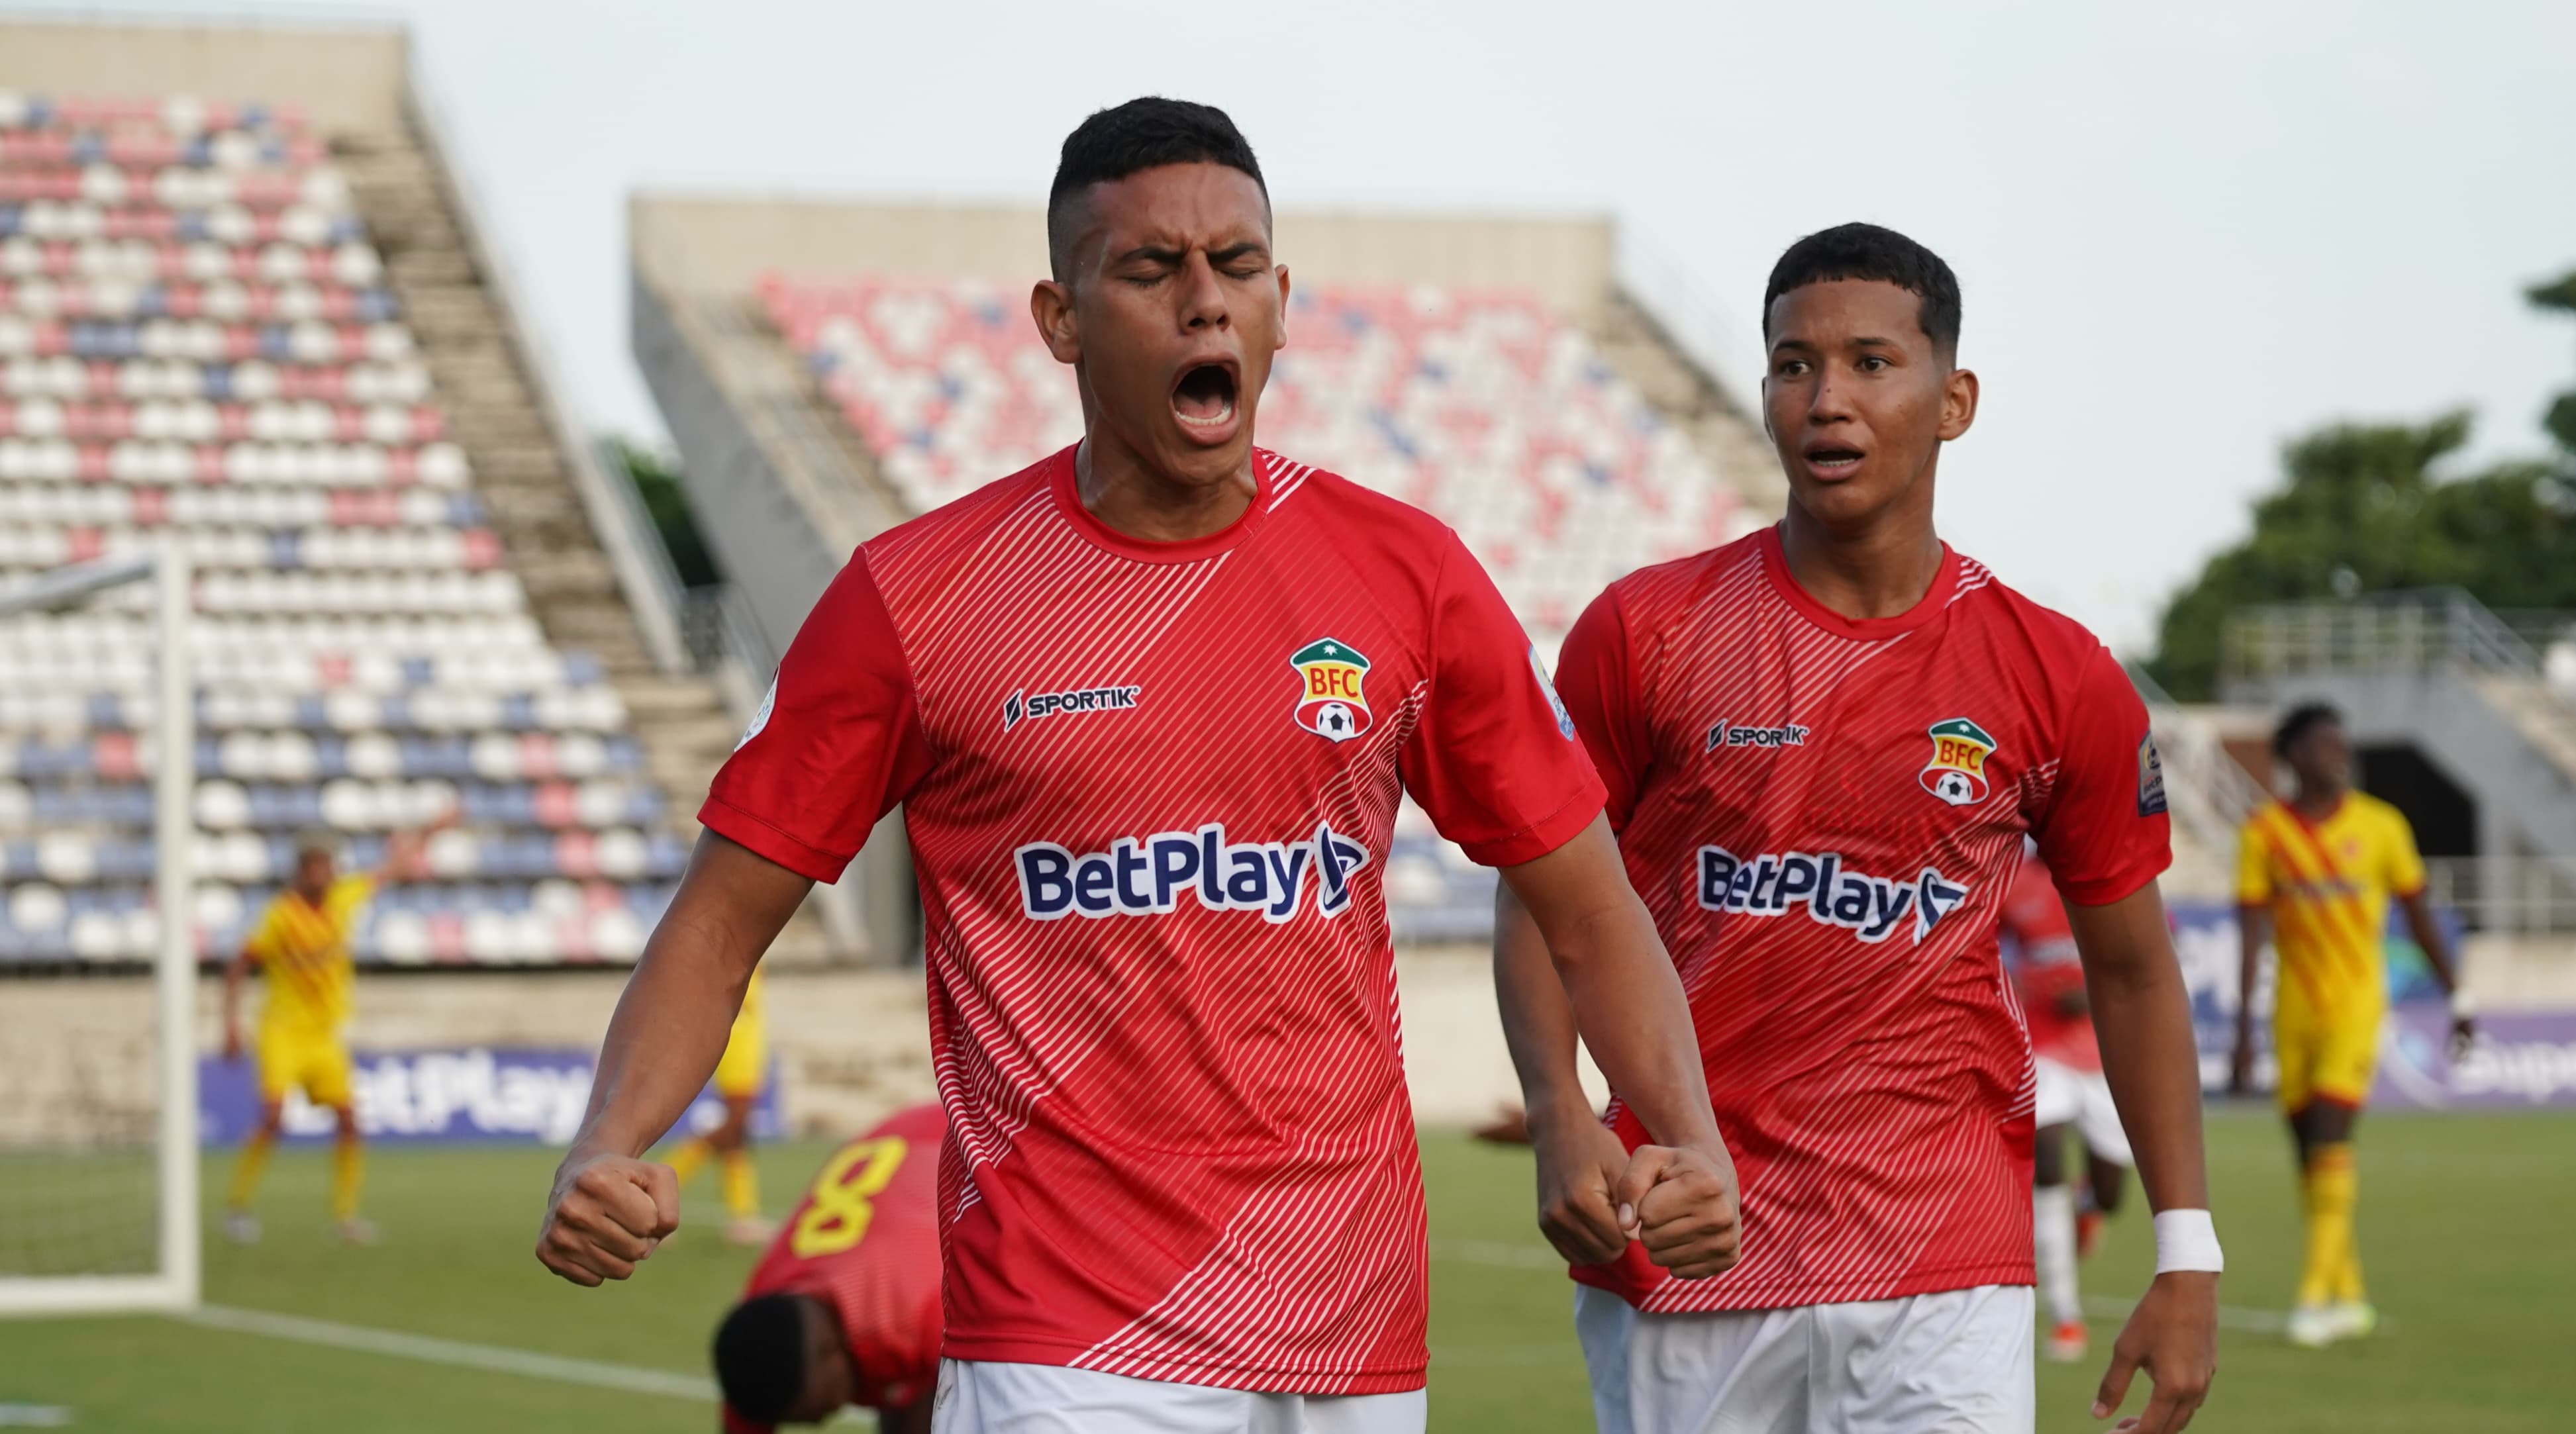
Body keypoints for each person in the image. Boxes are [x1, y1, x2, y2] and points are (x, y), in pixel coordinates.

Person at [536, 97, 1744, 1434]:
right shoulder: (915, 601)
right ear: (1060, 320)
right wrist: (609, 1143)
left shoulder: (1411, 580)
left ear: (1282, 302)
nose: (1203, 305)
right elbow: (716, 926)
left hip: (1348, 1323)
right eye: (1151, 270)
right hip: (1066, 1337)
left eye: (1235, 268)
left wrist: (1678, 1130)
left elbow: (1588, 906)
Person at [1495, 223, 2220, 1434]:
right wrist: (1561, 1111)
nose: (1826, 399)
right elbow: (1545, 893)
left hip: (1942, 1253)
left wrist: (2185, 1249)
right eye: (1792, 365)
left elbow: (2136, 973)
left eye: (1872, 362)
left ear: (1955, 399)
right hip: (1690, 1236)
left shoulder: (2057, 674)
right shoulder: (1645, 632)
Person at [2230, 702, 2470, 1348]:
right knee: (2309, 1154)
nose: (2340, 756)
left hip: (2356, 1008)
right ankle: (2350, 1293)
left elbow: (2419, 917)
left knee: (2332, 1133)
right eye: (2325, 746)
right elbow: (2250, 936)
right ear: (2292, 758)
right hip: (2291, 1012)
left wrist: (2458, 997)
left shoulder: (2381, 825)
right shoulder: (2263, 834)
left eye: (2343, 745)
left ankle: (2311, 1296)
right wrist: (2242, 1034)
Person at [221, 807, 456, 1244]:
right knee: (272, 1118)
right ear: (300, 870)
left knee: (349, 1120)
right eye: (314, 865)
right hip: (283, 1030)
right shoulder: (280, 916)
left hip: (325, 1036)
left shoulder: (345, 897)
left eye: (327, 865)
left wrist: (430, 830)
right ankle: (238, 1207)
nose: (322, 873)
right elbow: (238, 965)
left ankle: (345, 1217)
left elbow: (395, 868)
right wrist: (231, 1026)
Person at [713, 1102, 945, 1434]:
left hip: (975, 1133)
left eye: (820, 1410)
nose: (819, 1424)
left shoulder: (919, 1315)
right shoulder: (762, 1326)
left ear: (831, 1354)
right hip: (900, 1145)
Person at [2001, 842, 2134, 1363]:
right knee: (2047, 1162)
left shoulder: (2106, 874)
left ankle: (2088, 1210)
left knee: (2111, 1191)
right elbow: (1986, 951)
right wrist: (2022, 986)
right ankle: (2065, 1316)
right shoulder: (2016, 884)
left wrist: (2097, 995)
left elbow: (2145, 956)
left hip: (2103, 1055)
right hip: (2043, 1049)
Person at [664, 963, 773, 1245]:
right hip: (738, 1033)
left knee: (738, 1131)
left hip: (748, 1029)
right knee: (735, 1123)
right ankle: (659, 1186)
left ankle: (742, 1217)